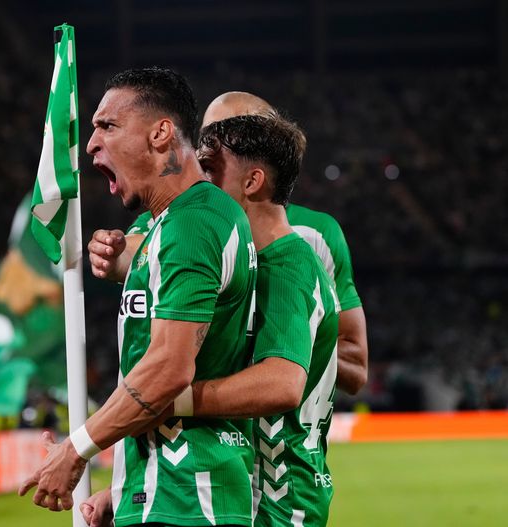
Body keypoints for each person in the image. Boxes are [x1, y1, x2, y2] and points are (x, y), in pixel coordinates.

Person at [19, 67, 259, 527]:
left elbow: (169, 369)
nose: (90, 144)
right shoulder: (164, 225)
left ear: (161, 133)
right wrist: (127, 482)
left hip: (191, 499)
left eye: (107, 126)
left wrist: (77, 449)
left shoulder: (194, 223)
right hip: (162, 490)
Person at [84, 114, 340, 527]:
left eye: (208, 167)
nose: (194, 177)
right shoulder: (235, 259)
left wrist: (165, 400)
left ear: (252, 182)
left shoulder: (290, 265)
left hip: (281, 501)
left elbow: (281, 383)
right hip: (230, 489)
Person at [91, 91, 367, 396]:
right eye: (206, 139)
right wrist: (112, 257)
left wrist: (289, 340)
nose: (209, 151)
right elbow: (142, 250)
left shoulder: (315, 235)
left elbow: (355, 370)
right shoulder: (175, 218)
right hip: (204, 434)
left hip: (274, 438)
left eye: (234, 135)